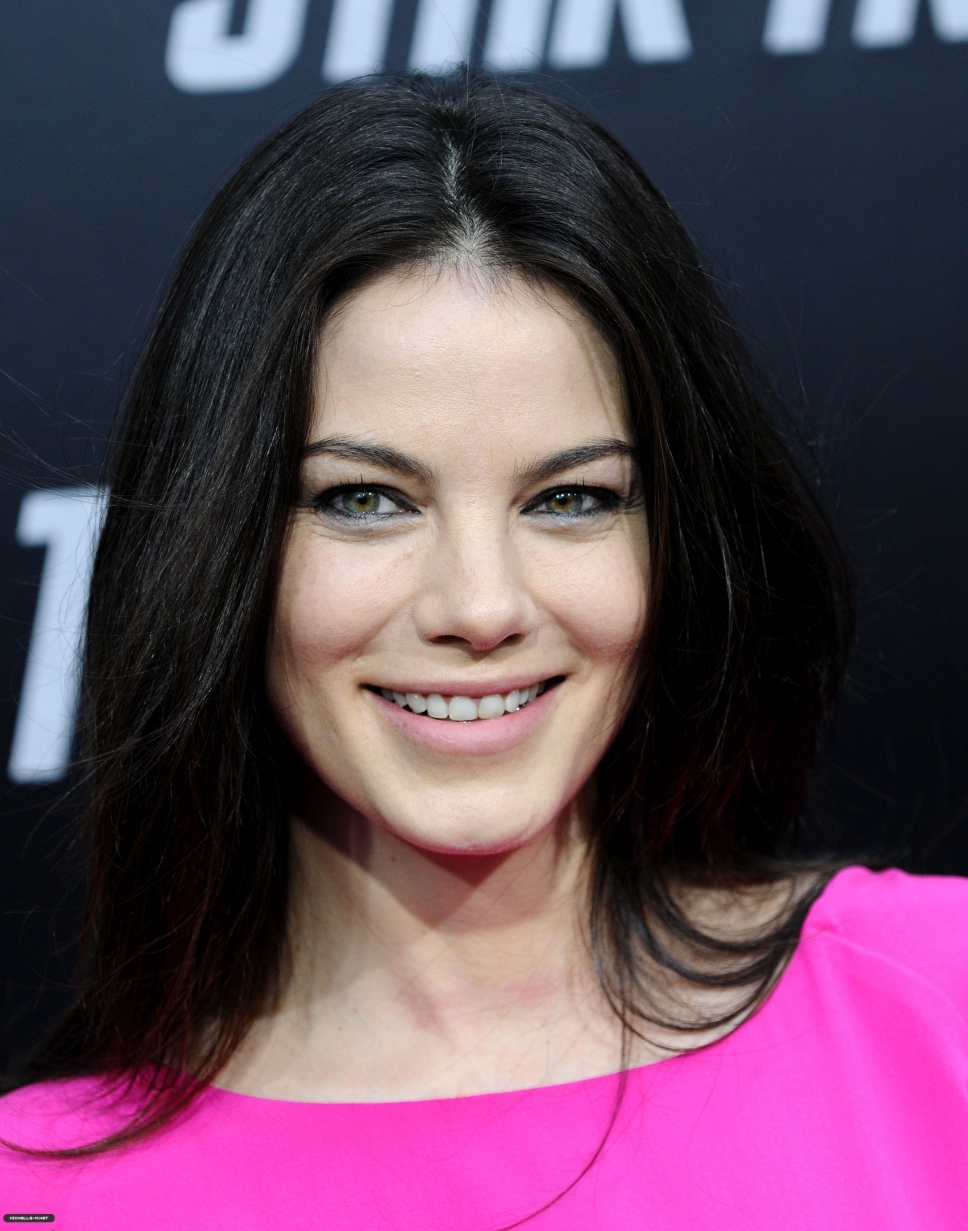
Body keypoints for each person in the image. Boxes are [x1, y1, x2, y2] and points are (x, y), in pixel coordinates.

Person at [1, 69, 965, 1229]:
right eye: (363, 499)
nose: (479, 603)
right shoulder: (41, 1191)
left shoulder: (933, 1001)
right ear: (223, 549)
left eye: (570, 500)